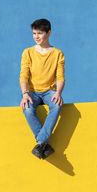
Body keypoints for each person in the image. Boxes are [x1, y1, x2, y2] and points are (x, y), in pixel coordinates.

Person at [19, 18, 65, 159]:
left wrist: (58, 93)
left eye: (39, 33)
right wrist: (25, 94)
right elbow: (24, 74)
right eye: (34, 33)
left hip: (49, 91)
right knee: (27, 108)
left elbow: (60, 77)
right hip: (32, 92)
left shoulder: (57, 54)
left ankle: (40, 142)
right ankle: (43, 142)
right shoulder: (27, 52)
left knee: (57, 106)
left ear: (49, 33)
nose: (36, 37)